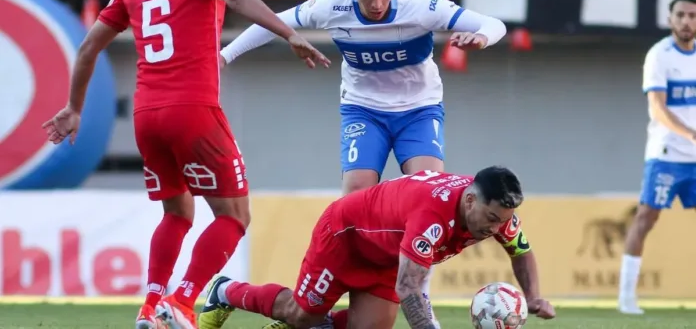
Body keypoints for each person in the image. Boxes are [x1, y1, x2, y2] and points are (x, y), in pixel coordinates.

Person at [209, 0, 506, 325]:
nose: (378, 3)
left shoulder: (422, 5)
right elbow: (275, 22)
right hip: (363, 113)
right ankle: (339, 288)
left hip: (419, 111)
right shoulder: (330, 6)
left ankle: (419, 297)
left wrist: (482, 37)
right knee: (356, 201)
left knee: (428, 196)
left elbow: (493, 23)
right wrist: (224, 56)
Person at [40, 0, 330, 328]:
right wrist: (287, 32)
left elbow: (89, 47)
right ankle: (182, 301)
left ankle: (151, 306)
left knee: (177, 212)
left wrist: (74, 107)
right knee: (235, 215)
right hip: (193, 111)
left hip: (147, 115)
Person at [198, 168, 555, 329]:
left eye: (501, 221)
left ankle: (317, 327)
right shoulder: (432, 215)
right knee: (300, 313)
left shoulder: (497, 214)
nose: (495, 229)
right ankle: (226, 291)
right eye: (490, 219)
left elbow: (520, 251)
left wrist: (534, 296)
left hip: (388, 254)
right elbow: (410, 288)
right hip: (345, 236)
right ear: (471, 199)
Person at [618, 0, 696, 315]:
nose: (686, 21)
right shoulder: (659, 56)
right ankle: (626, 297)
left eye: (692, 16)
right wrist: (690, 134)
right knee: (646, 218)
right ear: (670, 19)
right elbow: (658, 108)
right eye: (680, 15)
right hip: (666, 154)